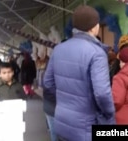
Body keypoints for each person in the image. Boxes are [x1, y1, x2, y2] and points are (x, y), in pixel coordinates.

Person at [43, 5, 115, 141]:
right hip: (86, 127)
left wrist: (63, 103)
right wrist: (109, 113)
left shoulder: (58, 49)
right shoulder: (97, 53)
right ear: (94, 27)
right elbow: (102, 93)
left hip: (63, 121)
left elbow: (47, 83)